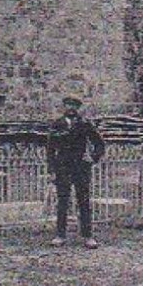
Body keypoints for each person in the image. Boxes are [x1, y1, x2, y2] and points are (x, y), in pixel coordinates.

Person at [45, 96, 105, 248]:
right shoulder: (57, 124)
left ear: (78, 108)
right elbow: (50, 150)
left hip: (80, 167)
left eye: (74, 105)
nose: (70, 108)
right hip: (63, 167)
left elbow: (99, 143)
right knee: (62, 201)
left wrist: (92, 158)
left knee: (83, 201)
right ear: (64, 107)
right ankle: (60, 235)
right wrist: (52, 170)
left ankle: (88, 236)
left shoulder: (85, 124)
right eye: (68, 105)